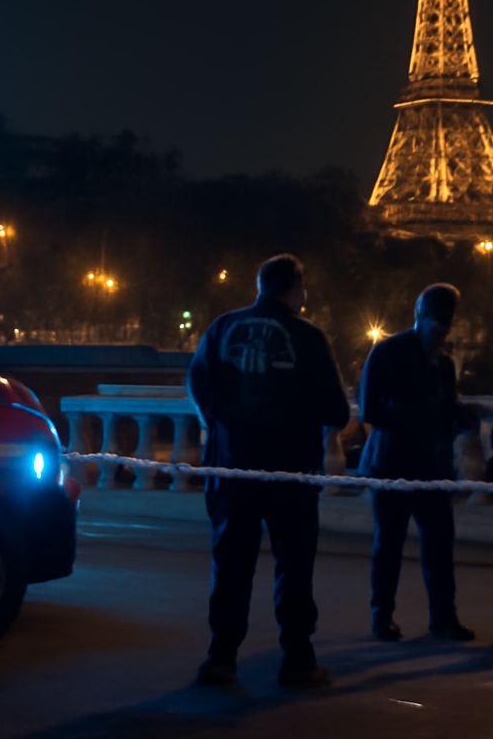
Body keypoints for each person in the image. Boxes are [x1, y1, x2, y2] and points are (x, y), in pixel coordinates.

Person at [186, 254, 351, 688]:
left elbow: (198, 381)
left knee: (231, 564)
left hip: (232, 467)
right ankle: (297, 658)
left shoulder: (222, 328)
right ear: (296, 289)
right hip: (290, 473)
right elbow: (335, 408)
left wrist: (220, 422)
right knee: (294, 566)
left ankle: (220, 656)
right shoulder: (309, 337)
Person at [357, 283, 477, 643]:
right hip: (397, 464)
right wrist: (427, 422)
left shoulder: (437, 361)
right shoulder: (391, 354)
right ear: (421, 318)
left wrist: (461, 415)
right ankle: (387, 617)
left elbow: (441, 407)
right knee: (391, 544)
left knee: (435, 544)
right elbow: (370, 411)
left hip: (425, 464)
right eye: (437, 328)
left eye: (445, 328)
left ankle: (438, 616)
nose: (441, 336)